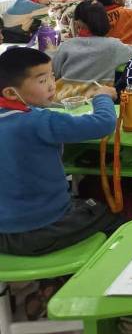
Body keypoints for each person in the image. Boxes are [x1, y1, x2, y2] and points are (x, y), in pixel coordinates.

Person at [0, 47, 121, 257]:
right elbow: (104, 123)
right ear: (10, 92)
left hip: (5, 229)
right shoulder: (38, 121)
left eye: (52, 76)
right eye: (42, 80)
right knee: (116, 219)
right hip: (38, 230)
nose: (51, 85)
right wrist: (102, 97)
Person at [52, 2, 132, 100]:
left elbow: (54, 73)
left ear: (77, 24)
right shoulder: (114, 46)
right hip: (97, 100)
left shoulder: (67, 45)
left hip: (62, 101)